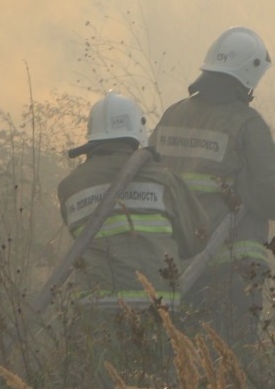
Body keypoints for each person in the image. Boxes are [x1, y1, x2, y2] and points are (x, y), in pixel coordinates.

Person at [151, 26, 275, 345]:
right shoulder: (246, 124)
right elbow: (272, 198)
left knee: (182, 359)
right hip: (232, 270)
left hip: (173, 268)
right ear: (249, 75)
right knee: (231, 362)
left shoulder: (172, 116)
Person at [57, 90, 206, 311]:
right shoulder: (164, 179)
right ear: (138, 130)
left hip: (93, 308)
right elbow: (196, 239)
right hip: (157, 308)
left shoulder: (70, 186)